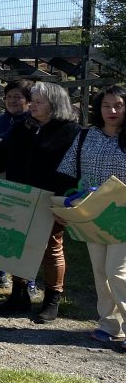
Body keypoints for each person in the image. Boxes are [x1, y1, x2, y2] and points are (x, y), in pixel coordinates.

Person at [0, 81, 79, 320]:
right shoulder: (23, 127)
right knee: (18, 244)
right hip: (18, 197)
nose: (32, 105)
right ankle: (19, 295)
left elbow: (73, 172)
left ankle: (51, 300)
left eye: (38, 102)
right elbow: (2, 158)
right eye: (32, 100)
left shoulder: (71, 132)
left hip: (49, 200)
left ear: (54, 104)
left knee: (52, 249)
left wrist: (64, 200)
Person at [56, 84, 126, 348]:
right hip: (91, 213)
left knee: (117, 271)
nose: (112, 110)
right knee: (100, 271)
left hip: (123, 214)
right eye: (107, 105)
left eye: (119, 105)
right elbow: (68, 172)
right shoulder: (86, 136)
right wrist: (65, 206)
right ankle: (109, 324)